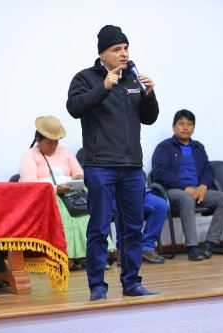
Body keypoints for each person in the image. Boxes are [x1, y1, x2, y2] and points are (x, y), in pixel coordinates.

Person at [66, 25, 159, 301]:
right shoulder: (85, 78)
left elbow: (150, 117)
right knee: (99, 227)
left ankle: (132, 283)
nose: (124, 54)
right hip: (100, 166)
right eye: (117, 49)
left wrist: (150, 94)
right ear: (102, 54)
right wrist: (103, 87)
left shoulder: (133, 79)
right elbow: (74, 108)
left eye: (126, 48)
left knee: (132, 228)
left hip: (132, 167)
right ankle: (97, 287)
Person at [19, 115, 114, 269]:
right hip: (48, 196)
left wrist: (76, 179)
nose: (53, 146)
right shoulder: (29, 157)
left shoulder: (65, 152)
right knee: (64, 215)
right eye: (49, 143)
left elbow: (78, 172)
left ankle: (94, 256)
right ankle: (67, 257)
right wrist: (56, 189)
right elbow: (30, 187)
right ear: (39, 140)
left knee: (92, 211)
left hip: (72, 193)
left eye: (56, 142)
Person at [152, 109, 223, 261]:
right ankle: (192, 247)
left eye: (190, 124)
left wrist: (203, 186)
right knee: (186, 198)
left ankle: (209, 244)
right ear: (174, 126)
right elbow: (159, 172)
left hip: (198, 190)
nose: (186, 127)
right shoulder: (164, 147)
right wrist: (185, 188)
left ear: (194, 128)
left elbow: (208, 169)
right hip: (174, 191)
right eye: (181, 123)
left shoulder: (198, 147)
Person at [113, 189, 169, 264]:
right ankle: (123, 251)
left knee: (161, 206)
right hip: (116, 194)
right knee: (120, 206)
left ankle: (146, 247)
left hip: (140, 193)